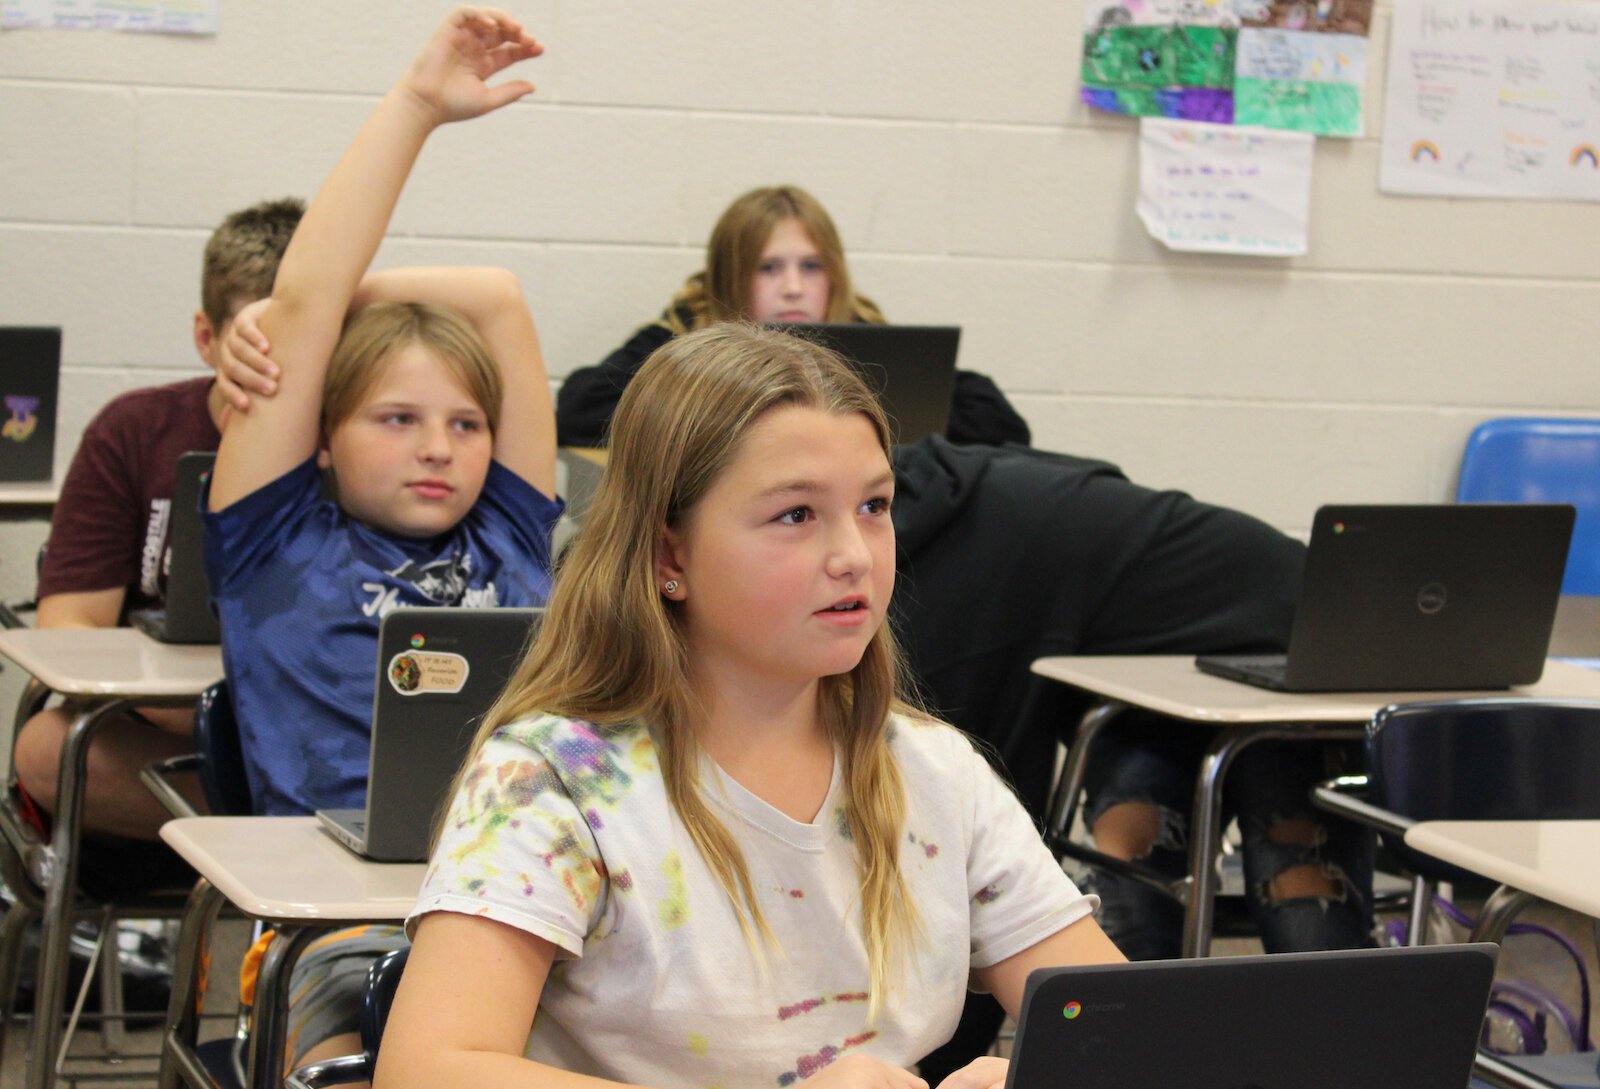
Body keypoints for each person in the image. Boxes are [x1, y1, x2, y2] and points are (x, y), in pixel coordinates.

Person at [377, 321, 1124, 1089]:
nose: (854, 555)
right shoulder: (557, 781)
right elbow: (428, 1069)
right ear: (671, 556)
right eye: (796, 515)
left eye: (874, 506)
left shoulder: (933, 771)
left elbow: (1122, 1031)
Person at [202, 7, 557, 1070]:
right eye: (395, 419)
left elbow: (496, 301)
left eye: (464, 423)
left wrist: (334, 304)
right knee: (386, 1047)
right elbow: (304, 321)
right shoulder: (273, 545)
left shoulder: (508, 532)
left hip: (521, 896)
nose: (439, 450)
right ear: (320, 435)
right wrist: (414, 106)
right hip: (340, 921)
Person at [10, 197, 302, 882]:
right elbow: (69, 622)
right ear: (208, 337)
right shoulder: (135, 429)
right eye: (258, 341)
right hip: (179, 741)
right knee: (49, 751)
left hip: (316, 734)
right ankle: (286, 825)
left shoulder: (366, 437)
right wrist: (197, 713)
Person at [555, 183, 1031, 449]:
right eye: (768, 268)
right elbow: (580, 410)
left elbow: (1001, 426)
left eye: (810, 266)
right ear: (731, 277)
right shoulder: (683, 336)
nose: (793, 287)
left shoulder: (869, 343)